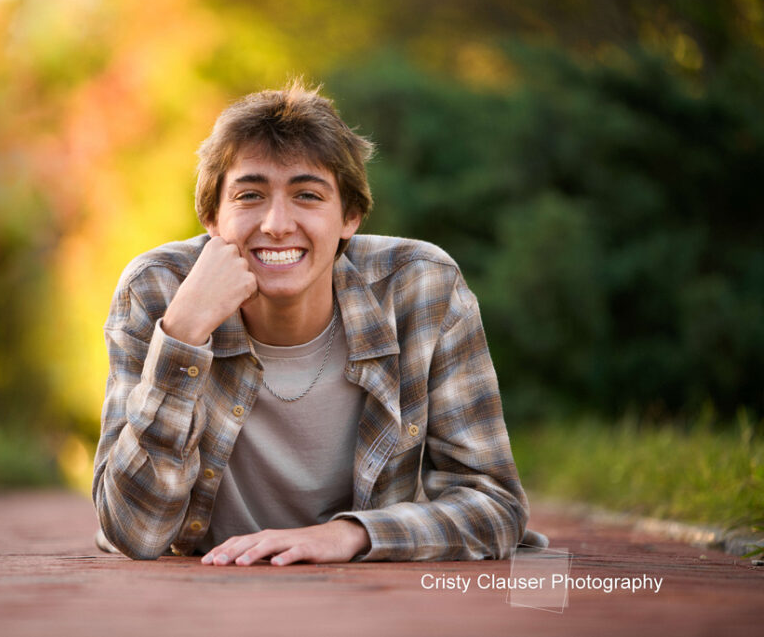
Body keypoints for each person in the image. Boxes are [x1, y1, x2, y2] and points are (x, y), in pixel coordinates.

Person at [92, 81, 544, 565]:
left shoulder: (421, 289)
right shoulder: (157, 290)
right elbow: (133, 530)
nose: (277, 224)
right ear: (211, 217)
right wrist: (181, 337)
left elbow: (494, 506)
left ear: (350, 216)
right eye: (250, 195)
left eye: (307, 194)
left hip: (368, 605)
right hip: (209, 596)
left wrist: (350, 536)